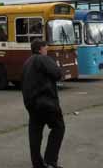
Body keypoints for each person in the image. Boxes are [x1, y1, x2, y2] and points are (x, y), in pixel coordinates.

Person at [22, 39, 65, 168]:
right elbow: (58, 74)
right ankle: (50, 161)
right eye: (46, 48)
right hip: (47, 102)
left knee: (35, 133)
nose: (47, 50)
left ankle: (37, 163)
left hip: (31, 103)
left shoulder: (26, 63)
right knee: (58, 127)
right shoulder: (42, 59)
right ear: (40, 49)